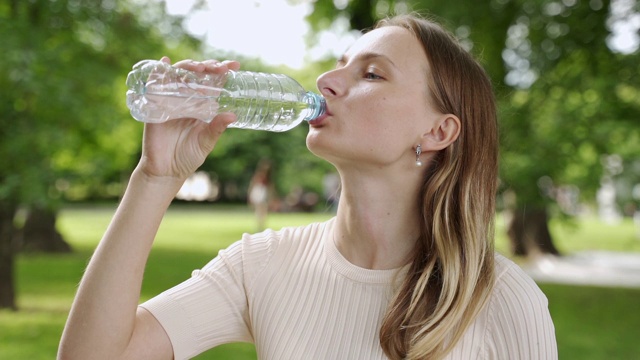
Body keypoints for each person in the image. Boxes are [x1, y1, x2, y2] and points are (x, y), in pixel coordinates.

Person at [58, 13, 557, 360]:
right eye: (340, 63)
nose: (326, 80)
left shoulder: (501, 301)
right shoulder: (260, 264)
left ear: (437, 132)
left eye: (373, 74)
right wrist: (155, 177)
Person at [248, 159, 273, 231]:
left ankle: (261, 224)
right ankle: (259, 224)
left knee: (263, 209)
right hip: (259, 192)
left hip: (262, 192)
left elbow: (269, 187)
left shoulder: (268, 176)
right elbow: (253, 184)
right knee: (260, 209)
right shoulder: (259, 174)